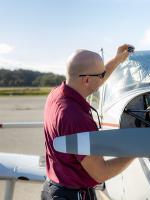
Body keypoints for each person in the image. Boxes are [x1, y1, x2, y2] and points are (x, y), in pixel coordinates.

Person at [41, 44, 135, 200]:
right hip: (72, 196)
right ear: (86, 80)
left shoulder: (55, 94)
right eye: (101, 75)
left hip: (52, 189)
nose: (103, 78)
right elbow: (101, 172)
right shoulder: (75, 118)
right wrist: (137, 150)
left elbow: (95, 77)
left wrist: (117, 60)